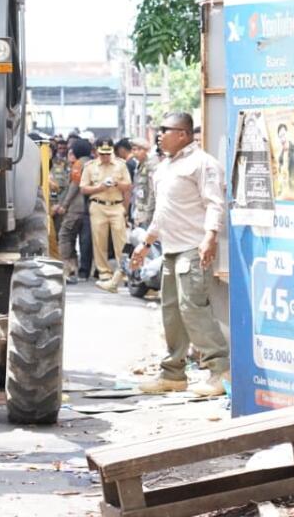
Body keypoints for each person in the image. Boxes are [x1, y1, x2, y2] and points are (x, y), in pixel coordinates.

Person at [132, 112, 229, 397]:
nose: (160, 135)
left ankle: (220, 370)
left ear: (184, 134)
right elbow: (162, 213)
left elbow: (214, 203)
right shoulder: (163, 168)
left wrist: (210, 236)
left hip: (193, 246)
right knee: (172, 312)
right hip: (170, 250)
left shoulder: (203, 164)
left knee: (192, 307)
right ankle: (173, 374)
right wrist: (146, 244)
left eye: (166, 130)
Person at [82, 138, 132, 287]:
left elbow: (128, 186)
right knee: (99, 240)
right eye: (102, 153)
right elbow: (83, 188)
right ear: (96, 151)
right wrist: (99, 188)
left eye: (108, 153)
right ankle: (104, 272)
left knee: (121, 241)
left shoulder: (120, 165)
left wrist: (117, 184)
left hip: (116, 206)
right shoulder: (90, 166)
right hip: (98, 206)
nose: (105, 156)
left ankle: (123, 271)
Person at [53, 138, 93, 284]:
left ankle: (67, 268)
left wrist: (64, 205)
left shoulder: (79, 164)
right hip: (89, 209)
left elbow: (74, 186)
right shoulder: (92, 162)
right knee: (84, 242)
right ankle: (79, 270)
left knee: (65, 236)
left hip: (76, 208)